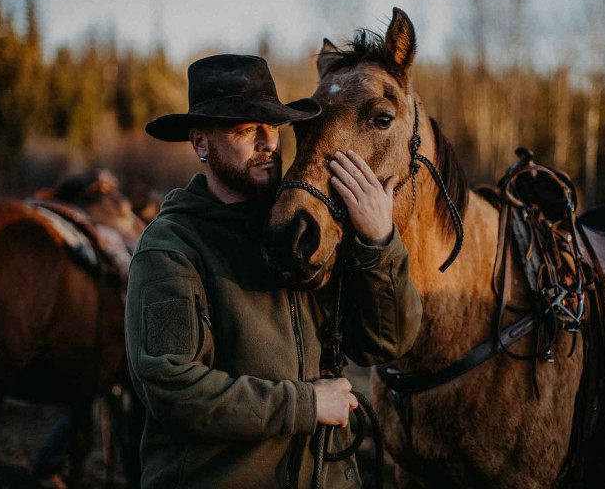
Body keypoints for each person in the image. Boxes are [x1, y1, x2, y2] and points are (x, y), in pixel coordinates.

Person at [124, 54, 422, 488]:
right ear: (201, 144)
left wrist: (379, 241)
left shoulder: (297, 233)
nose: (268, 143)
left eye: (274, 127)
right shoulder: (171, 248)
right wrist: (306, 405)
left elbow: (386, 342)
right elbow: (172, 389)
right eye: (245, 129)